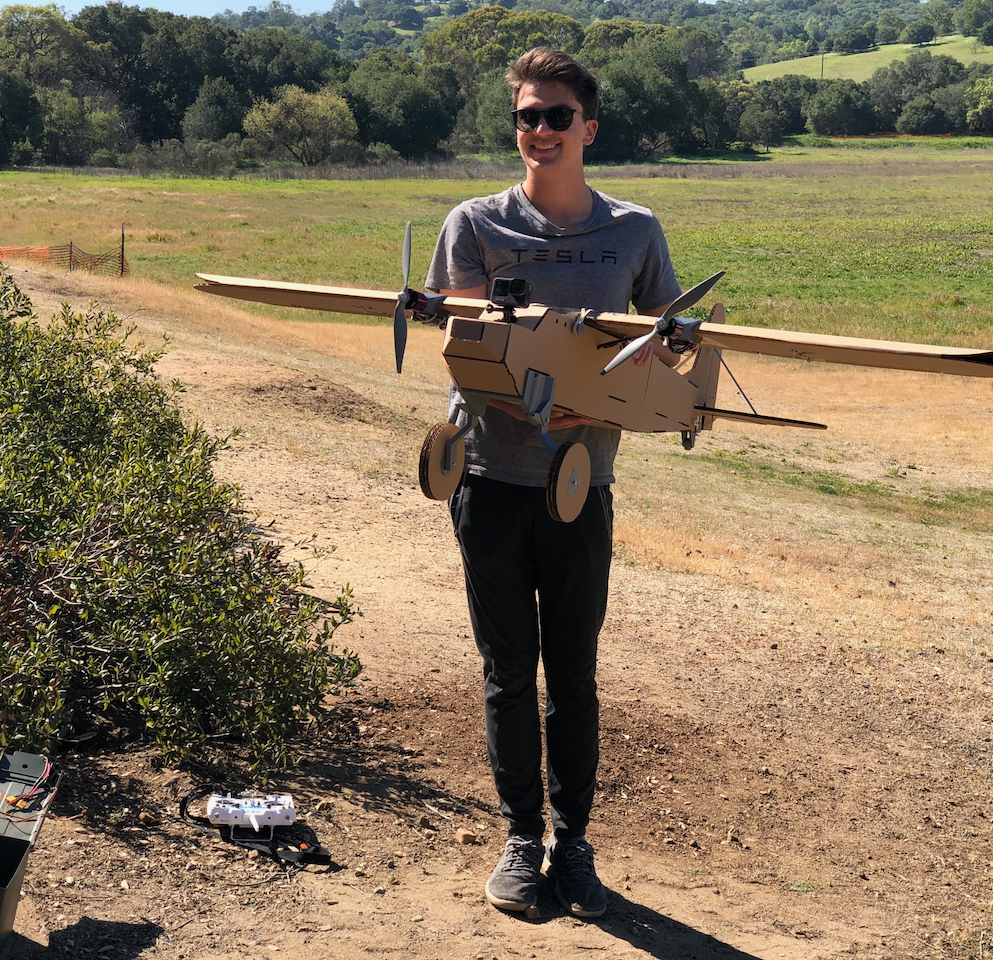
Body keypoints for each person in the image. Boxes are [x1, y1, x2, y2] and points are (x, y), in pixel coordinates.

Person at [425, 47, 683, 920]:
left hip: (582, 484)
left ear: (589, 128)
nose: (539, 131)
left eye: (555, 117)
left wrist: (616, 396)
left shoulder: (635, 232)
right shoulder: (474, 223)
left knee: (573, 672)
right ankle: (517, 839)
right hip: (491, 481)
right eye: (526, 117)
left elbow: (666, 351)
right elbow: (456, 346)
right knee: (507, 671)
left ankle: (573, 847)